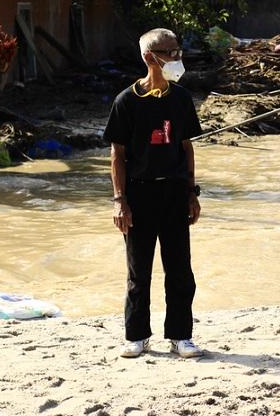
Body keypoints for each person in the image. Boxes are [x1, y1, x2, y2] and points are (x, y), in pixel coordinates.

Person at [103, 28, 204, 359]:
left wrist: (192, 193)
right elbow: (117, 155)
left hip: (174, 193)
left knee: (179, 270)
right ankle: (137, 336)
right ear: (150, 58)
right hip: (139, 196)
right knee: (138, 272)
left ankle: (180, 336)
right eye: (170, 52)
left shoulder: (181, 99)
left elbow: (186, 148)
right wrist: (120, 201)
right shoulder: (126, 102)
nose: (177, 58)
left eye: (178, 51)